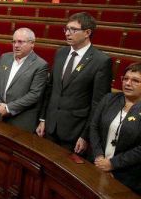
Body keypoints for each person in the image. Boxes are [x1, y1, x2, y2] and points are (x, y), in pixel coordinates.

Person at [37, 12, 112, 154]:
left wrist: (86, 135)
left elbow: (98, 104)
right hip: (51, 126)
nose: (67, 33)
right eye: (66, 29)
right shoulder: (60, 53)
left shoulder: (101, 61)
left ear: (87, 33)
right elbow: (51, 88)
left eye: (73, 30)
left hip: (75, 132)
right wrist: (43, 118)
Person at [90, 62, 141, 194]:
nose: (128, 83)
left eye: (135, 80)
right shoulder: (109, 99)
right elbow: (94, 127)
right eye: (125, 79)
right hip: (97, 165)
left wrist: (112, 164)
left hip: (127, 176)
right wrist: (99, 156)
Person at [0, 28, 49, 132]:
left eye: (20, 42)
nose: (16, 45)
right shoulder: (5, 57)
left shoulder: (40, 65)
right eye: (14, 41)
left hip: (21, 120)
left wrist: (8, 108)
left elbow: (34, 94)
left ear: (32, 44)